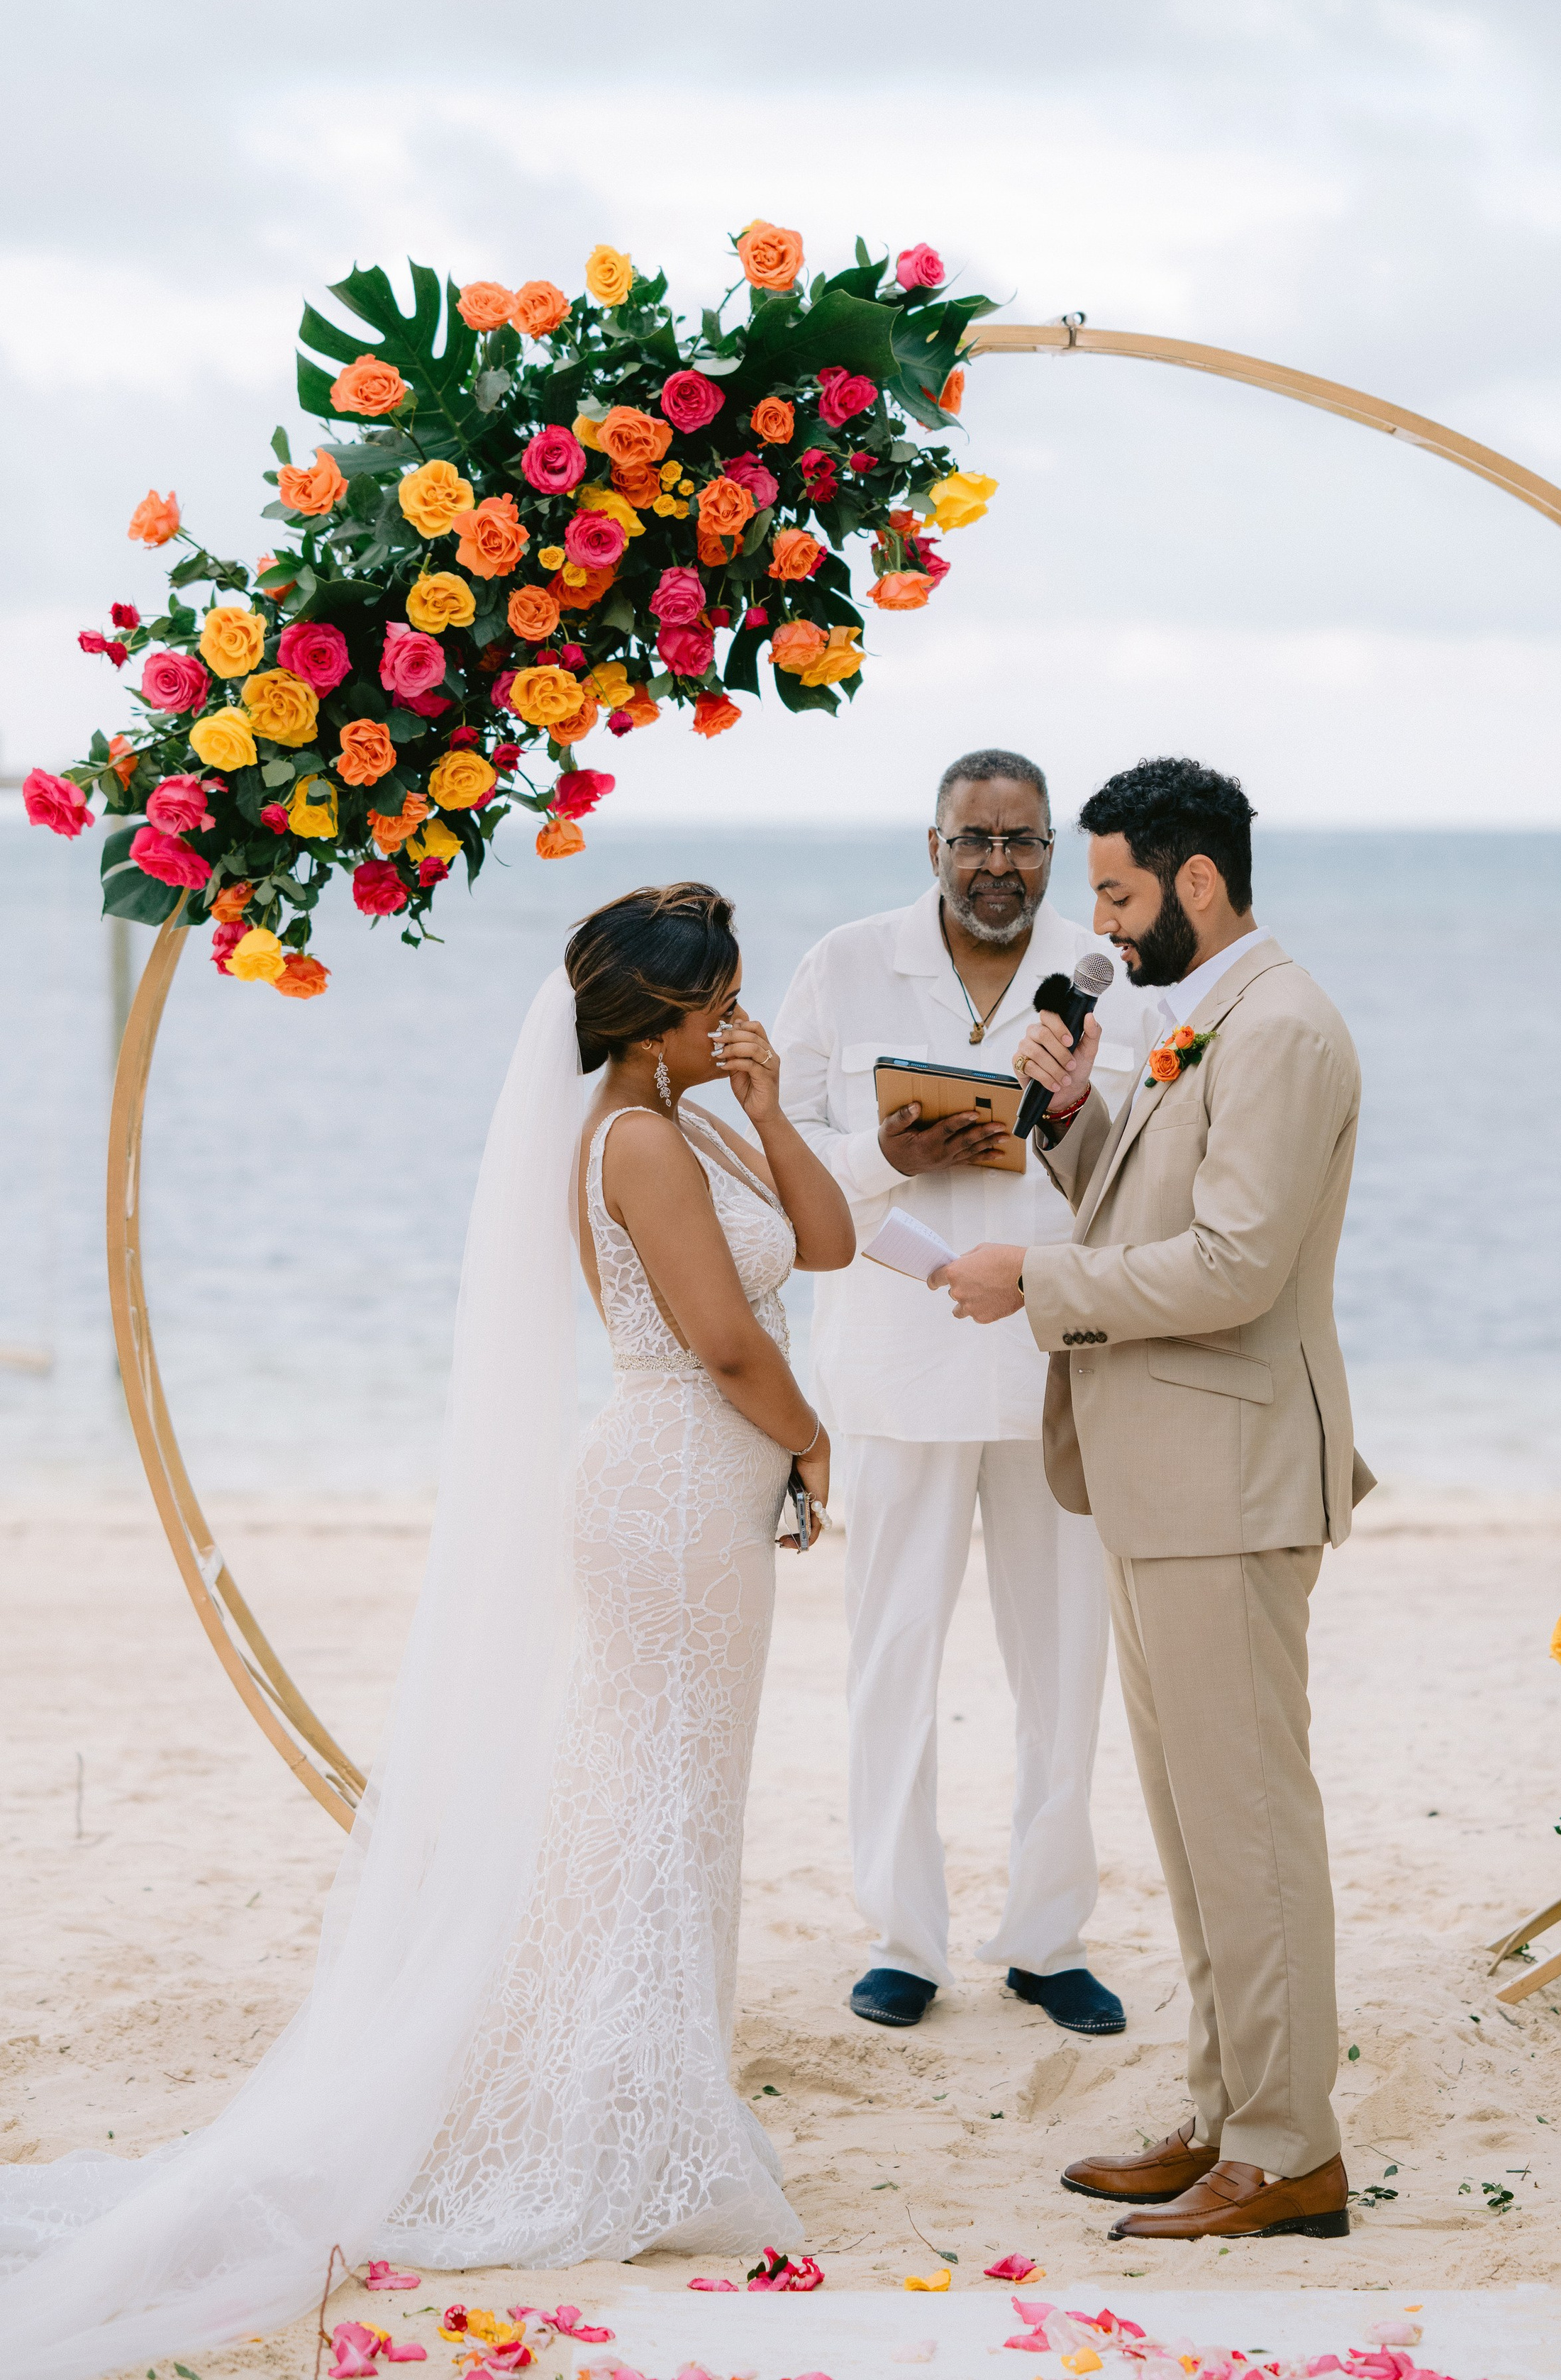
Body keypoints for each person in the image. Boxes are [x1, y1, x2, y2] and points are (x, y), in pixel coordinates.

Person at [0, 883, 855, 2375]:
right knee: (651, 1801)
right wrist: (813, 1439)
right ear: (649, 1016)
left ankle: (648, 2094)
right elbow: (721, 1341)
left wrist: (776, 1111)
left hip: (706, 1495)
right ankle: (624, 2120)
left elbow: (826, 1247)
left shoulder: (705, 1116)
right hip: (666, 1488)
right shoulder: (636, 1135)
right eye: (714, 996)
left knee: (674, 1802)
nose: (737, 1012)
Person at [935, 757, 1373, 2245]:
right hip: (1158, 1477)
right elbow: (1164, 1214)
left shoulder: (1283, 1028)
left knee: (1246, 1823)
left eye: (1118, 894)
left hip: (1229, 1479)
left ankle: (1286, 2147)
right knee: (1194, 1829)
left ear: (1199, 880)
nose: (1102, 931)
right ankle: (1223, 2108)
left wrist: (1034, 1281)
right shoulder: (1198, 1023)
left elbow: (1235, 1267)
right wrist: (1069, 1126)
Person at [774, 748, 1145, 2037]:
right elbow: (784, 1154)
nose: (1000, 863)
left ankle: (1048, 1937)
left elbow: (1140, 1179)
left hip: (1059, 1366)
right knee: (892, 1659)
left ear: (1054, 850)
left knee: (1065, 1668)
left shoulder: (1112, 982)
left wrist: (1075, 1106)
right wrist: (887, 1153)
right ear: (931, 843)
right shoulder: (846, 961)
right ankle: (904, 1935)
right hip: (896, 1360)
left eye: (1025, 841)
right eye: (975, 838)